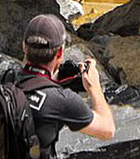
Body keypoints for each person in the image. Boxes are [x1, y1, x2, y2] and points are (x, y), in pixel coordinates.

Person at [19, 14, 115, 157]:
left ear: (24, 47)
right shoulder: (60, 99)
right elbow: (107, 130)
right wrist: (94, 87)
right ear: (60, 53)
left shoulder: (4, 83)